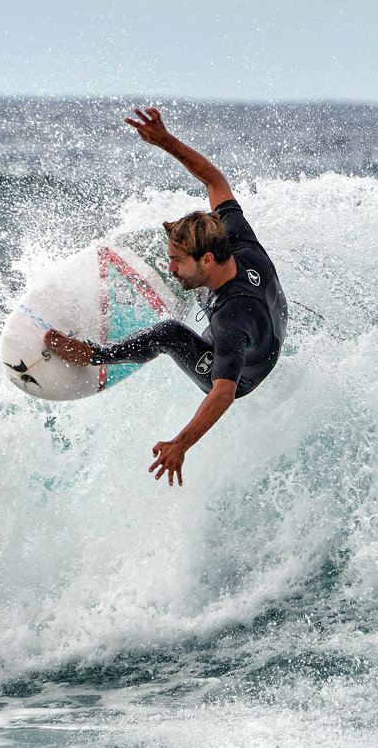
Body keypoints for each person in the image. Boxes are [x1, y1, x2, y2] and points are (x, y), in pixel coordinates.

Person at [43, 107, 287, 486]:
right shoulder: (235, 236)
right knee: (208, 293)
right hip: (269, 310)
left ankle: (94, 354)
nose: (170, 267)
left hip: (248, 371)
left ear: (207, 257)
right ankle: (208, 291)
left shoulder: (230, 322)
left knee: (169, 333)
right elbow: (214, 180)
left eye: (177, 261)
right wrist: (165, 141)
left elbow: (223, 394)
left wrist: (181, 444)